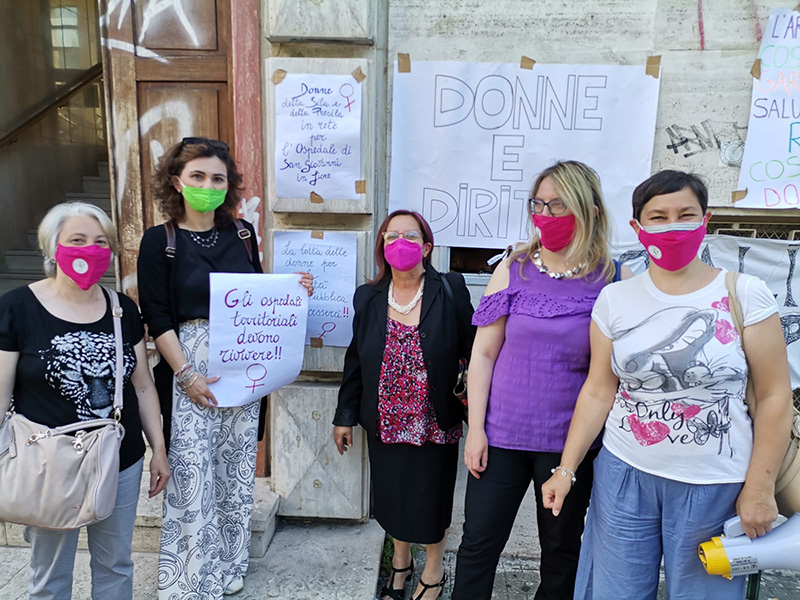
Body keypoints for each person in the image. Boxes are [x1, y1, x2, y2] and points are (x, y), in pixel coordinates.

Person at [542, 170, 794, 600]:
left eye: (685, 214)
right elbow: (600, 390)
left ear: (705, 220)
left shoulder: (746, 294)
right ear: (638, 228)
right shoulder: (614, 300)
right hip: (623, 477)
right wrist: (566, 469)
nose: (672, 226)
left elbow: (775, 396)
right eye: (658, 216)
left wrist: (760, 487)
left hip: (715, 485)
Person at [137, 137, 313, 599]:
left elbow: (254, 295)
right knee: (193, 471)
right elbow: (157, 316)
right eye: (197, 176)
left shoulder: (241, 233)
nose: (208, 185)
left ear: (228, 185)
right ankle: (192, 577)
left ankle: (230, 563)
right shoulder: (160, 241)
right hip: (189, 363)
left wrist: (294, 289)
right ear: (177, 181)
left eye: (218, 178)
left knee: (235, 470)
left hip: (244, 362)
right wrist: (187, 376)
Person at [452, 161, 628, 600]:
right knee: (477, 546)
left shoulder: (613, 279)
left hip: (568, 444)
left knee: (560, 552)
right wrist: (475, 431)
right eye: (539, 204)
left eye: (558, 204)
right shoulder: (513, 268)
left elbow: (605, 376)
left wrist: (570, 462)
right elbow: (484, 353)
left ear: (589, 209)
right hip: (501, 437)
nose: (545, 214)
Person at [0, 201, 170, 599]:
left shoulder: (122, 309)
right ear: (52, 247)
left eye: (100, 242)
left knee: (115, 564)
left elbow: (142, 385)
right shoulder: (16, 309)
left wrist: (158, 449)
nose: (89, 250)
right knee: (50, 575)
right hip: (47, 461)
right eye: (77, 240)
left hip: (119, 457)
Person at [333, 209, 475, 600]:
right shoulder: (369, 297)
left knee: (431, 499)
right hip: (386, 421)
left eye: (410, 237)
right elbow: (356, 360)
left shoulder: (451, 288)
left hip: (435, 420)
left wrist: (479, 415)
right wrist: (345, 414)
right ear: (381, 245)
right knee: (392, 498)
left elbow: (476, 351)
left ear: (426, 247)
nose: (400, 244)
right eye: (391, 236)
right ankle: (400, 563)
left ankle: (433, 571)